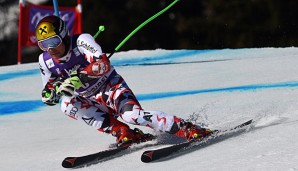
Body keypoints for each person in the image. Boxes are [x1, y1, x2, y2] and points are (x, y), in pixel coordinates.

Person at [36, 15, 212, 147]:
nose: (50, 49)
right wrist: (50, 95)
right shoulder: (45, 61)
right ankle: (122, 132)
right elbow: (47, 88)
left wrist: (78, 79)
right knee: (66, 104)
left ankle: (186, 128)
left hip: (110, 88)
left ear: (64, 35)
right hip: (89, 99)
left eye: (53, 41)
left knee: (132, 115)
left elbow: (103, 64)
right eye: (44, 44)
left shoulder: (82, 41)